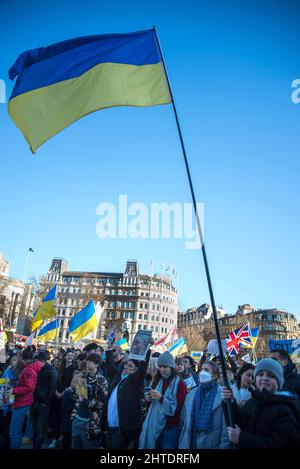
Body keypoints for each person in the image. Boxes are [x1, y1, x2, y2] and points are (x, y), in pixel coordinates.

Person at [222, 358, 300, 448]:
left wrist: (241, 438)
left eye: (271, 376)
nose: (264, 378)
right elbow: (239, 423)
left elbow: (280, 444)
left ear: (279, 382)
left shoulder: (285, 410)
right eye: (260, 374)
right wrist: (230, 402)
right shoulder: (253, 402)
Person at [102, 349, 150, 449]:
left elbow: (142, 369)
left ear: (135, 370)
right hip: (110, 429)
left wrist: (147, 350)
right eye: (126, 364)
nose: (126, 367)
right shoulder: (118, 377)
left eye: (130, 366)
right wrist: (109, 351)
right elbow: (110, 366)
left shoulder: (135, 381)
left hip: (122, 432)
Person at [139, 351, 187, 449]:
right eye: (160, 366)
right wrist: (148, 398)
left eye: (165, 367)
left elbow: (178, 408)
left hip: (170, 427)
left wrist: (161, 398)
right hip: (153, 424)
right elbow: (150, 404)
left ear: (171, 367)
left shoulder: (179, 384)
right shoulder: (157, 380)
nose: (162, 369)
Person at [179, 361, 231, 449]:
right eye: (201, 370)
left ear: (214, 375)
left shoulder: (223, 396)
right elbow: (183, 421)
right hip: (190, 442)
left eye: (206, 370)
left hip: (211, 444)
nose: (202, 372)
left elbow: (226, 430)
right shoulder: (191, 395)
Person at [71, 353, 108, 449]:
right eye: (88, 361)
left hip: (91, 423)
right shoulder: (83, 376)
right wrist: (75, 393)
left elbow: (104, 402)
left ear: (97, 364)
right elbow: (79, 396)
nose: (88, 363)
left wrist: (88, 402)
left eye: (91, 362)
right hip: (77, 418)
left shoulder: (101, 380)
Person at [9, 347, 43, 449]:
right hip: (23, 402)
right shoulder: (29, 368)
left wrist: (13, 390)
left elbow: (29, 387)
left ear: (23, 359)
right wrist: (14, 383)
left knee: (14, 431)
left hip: (22, 402)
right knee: (17, 430)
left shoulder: (29, 369)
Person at [48, 350, 75, 448]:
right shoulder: (61, 367)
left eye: (72, 355)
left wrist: (62, 394)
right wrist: (56, 392)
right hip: (56, 395)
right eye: (68, 355)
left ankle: (57, 439)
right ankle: (54, 439)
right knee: (55, 418)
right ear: (65, 357)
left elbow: (71, 384)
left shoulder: (73, 368)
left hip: (65, 396)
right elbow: (56, 380)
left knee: (61, 419)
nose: (70, 357)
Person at [31, 351, 57, 449]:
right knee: (34, 428)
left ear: (42, 360)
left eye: (37, 360)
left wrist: (46, 402)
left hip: (43, 404)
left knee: (40, 429)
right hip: (34, 401)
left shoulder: (51, 370)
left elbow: (53, 388)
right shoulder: (36, 368)